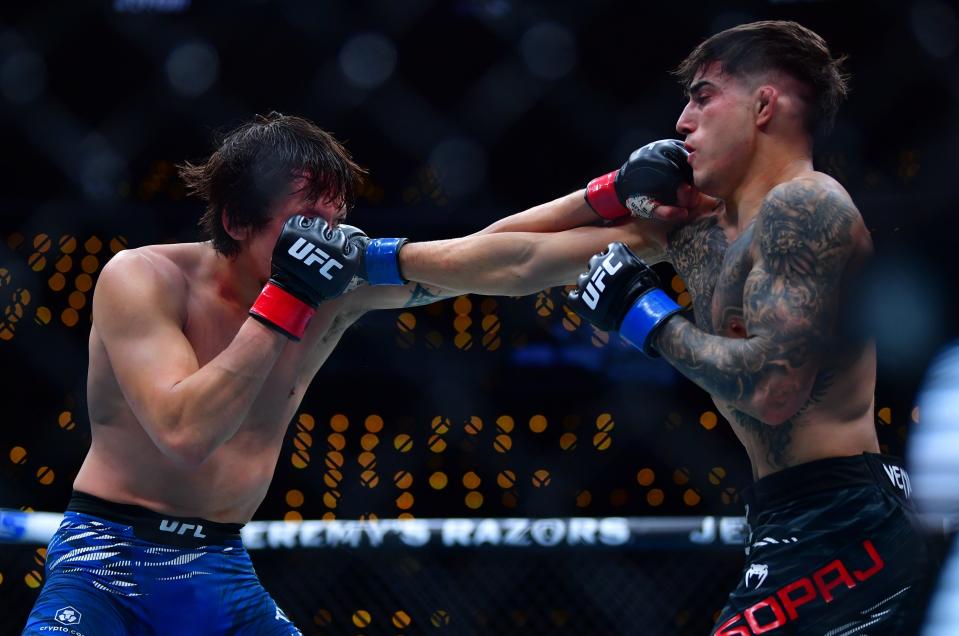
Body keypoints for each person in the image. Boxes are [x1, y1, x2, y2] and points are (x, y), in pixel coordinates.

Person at [21, 112, 689, 635]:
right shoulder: (142, 279)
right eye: (305, 221)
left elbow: (483, 259)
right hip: (105, 560)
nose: (327, 237)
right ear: (234, 219)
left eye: (335, 218)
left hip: (218, 569)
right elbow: (186, 431)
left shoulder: (336, 283)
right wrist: (288, 295)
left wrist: (625, 213)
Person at [558, 20, 929, 635]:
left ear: (763, 105)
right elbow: (513, 260)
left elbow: (772, 389)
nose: (681, 121)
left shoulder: (807, 205)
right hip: (794, 519)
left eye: (703, 96)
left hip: (845, 524)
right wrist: (609, 191)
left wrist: (643, 315)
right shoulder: (703, 235)